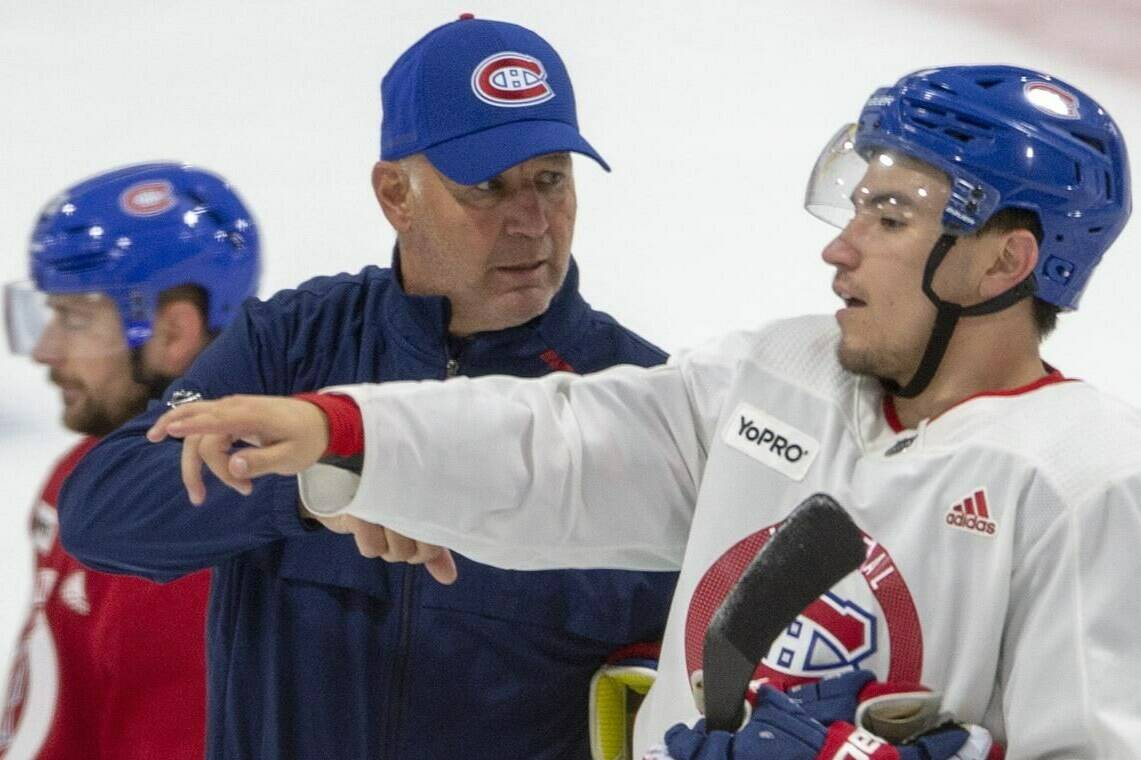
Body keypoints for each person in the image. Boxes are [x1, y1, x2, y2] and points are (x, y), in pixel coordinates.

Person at [141, 64, 1140, 759]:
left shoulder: (1081, 481)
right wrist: (342, 431)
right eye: (855, 207)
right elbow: (563, 442)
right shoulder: (782, 378)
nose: (840, 248)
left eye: (889, 217)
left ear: (1003, 260)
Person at [58, 15, 677, 760]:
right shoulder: (290, 344)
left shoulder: (639, 396)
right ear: (396, 194)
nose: (533, 222)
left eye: (551, 179)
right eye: (486, 186)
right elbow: (104, 508)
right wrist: (319, 485)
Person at [0, 162, 259, 758]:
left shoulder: (221, 520)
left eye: (74, 319)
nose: (44, 350)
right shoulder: (78, 475)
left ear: (173, 332)